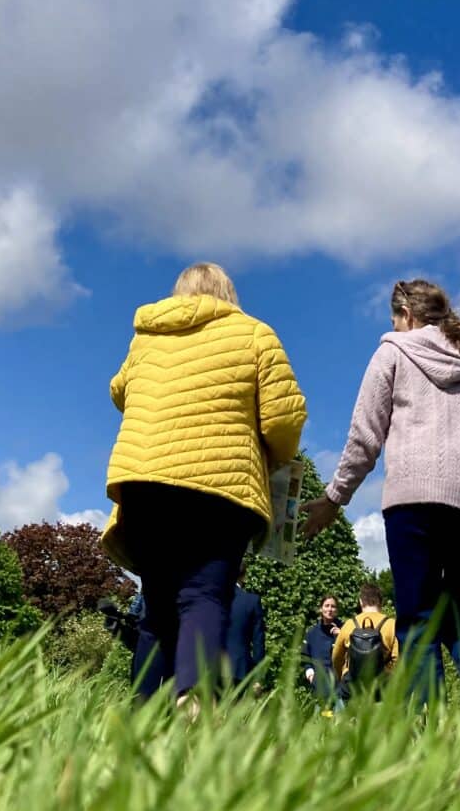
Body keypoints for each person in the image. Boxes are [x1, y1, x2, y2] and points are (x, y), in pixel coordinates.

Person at [302, 279, 460, 718]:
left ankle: (427, 718)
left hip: (417, 498)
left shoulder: (394, 351)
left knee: (417, 617)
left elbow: (364, 438)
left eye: (395, 319)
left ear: (407, 315)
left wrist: (335, 499)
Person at [103, 262, 307, 704]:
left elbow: (119, 390)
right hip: (219, 482)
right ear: (228, 293)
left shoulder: (147, 337)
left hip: (146, 480)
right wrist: (278, 455)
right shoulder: (254, 333)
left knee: (156, 604)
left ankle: (140, 712)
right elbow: (284, 418)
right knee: (204, 594)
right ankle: (192, 699)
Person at [332, 582, 399, 701]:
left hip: (352, 684)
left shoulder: (349, 624)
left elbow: (337, 657)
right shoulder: (392, 624)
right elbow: (396, 658)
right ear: (381, 602)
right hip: (381, 685)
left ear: (361, 601)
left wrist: (343, 674)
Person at [226, 569, 266, 686]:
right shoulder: (251, 601)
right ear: (244, 576)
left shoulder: (212, 598)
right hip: (239, 667)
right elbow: (258, 641)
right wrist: (258, 676)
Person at [300, 594, 343, 701]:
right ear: (321, 608)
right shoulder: (312, 633)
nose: (330, 609)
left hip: (340, 688)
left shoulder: (345, 629)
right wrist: (310, 675)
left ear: (337, 610)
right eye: (326, 606)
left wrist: (342, 637)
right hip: (319, 688)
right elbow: (305, 657)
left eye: (333, 606)